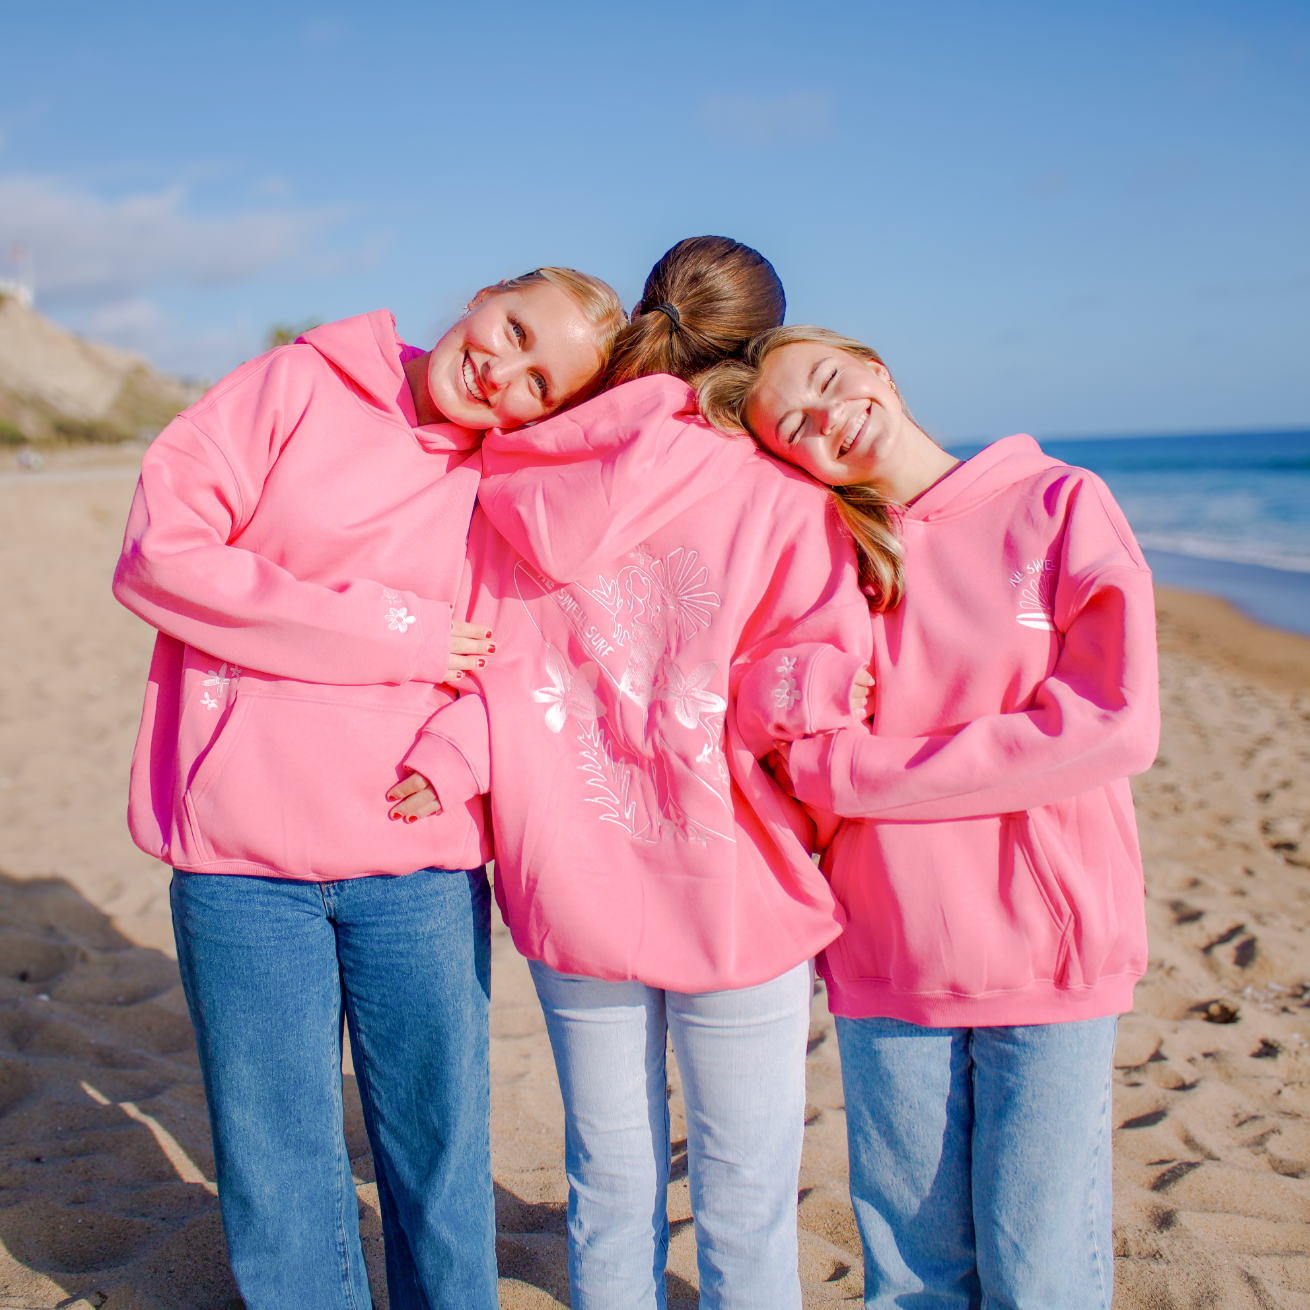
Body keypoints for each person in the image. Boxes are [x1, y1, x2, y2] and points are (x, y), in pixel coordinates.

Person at [112, 266, 626, 1310]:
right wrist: (393, 631)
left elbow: (526, 661)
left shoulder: (511, 484)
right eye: (514, 328)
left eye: (541, 382)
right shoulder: (297, 384)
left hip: (419, 867)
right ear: (483, 295)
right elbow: (161, 556)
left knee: (440, 1154)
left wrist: (457, 747)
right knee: (277, 1159)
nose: (504, 370)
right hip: (241, 857)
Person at [386, 239, 875, 1310]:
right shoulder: (781, 491)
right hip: (733, 882)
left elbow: (489, 661)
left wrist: (456, 751)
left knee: (608, 1181)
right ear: (752, 349)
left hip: (570, 878)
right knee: (745, 1198)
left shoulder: (520, 475)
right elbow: (806, 696)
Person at [699, 325, 1160, 1309]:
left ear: (876, 367)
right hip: (888, 953)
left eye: (829, 382)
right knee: (913, 1279)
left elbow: (1112, 728)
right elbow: (770, 726)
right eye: (796, 427)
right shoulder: (826, 555)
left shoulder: (1058, 503)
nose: (827, 419)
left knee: (1038, 1274)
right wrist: (819, 752)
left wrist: (861, 775)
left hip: (1049, 952)